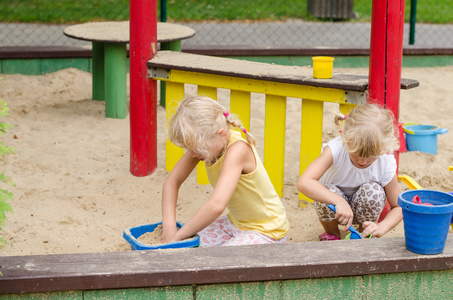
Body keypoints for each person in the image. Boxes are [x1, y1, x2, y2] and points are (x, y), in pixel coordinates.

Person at [161, 96, 289, 247]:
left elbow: (217, 205)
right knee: (191, 245)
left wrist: (178, 237)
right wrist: (169, 228)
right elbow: (172, 182)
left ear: (221, 134)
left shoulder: (238, 150)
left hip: (267, 231)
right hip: (235, 223)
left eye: (196, 149)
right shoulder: (206, 145)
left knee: (219, 261)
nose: (193, 154)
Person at [297, 103, 403, 241]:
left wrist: (382, 227)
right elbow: (304, 182)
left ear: (383, 148)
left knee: (374, 192)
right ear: (346, 139)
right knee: (326, 191)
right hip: (335, 208)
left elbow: (399, 206)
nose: (362, 162)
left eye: (371, 156)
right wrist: (338, 201)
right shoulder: (335, 150)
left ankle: (363, 234)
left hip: (363, 208)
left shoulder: (385, 162)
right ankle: (332, 234)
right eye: (355, 154)